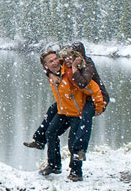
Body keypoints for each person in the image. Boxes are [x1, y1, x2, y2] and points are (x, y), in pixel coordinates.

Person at [24, 42, 109, 159]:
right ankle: (41, 142)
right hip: (71, 105)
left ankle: (79, 153)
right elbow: (53, 68)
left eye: (72, 57)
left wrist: (74, 69)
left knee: (84, 120)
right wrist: (50, 74)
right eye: (66, 58)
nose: (68, 60)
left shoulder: (85, 65)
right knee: (52, 114)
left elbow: (85, 84)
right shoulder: (62, 68)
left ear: (79, 56)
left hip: (95, 99)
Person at [35, 49, 107, 181]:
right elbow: (48, 71)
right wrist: (50, 74)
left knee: (73, 142)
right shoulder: (52, 74)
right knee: (51, 133)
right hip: (64, 111)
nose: (55, 62)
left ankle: (76, 172)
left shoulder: (69, 73)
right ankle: (54, 165)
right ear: (46, 66)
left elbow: (93, 88)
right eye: (51, 61)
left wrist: (99, 106)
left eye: (56, 59)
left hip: (78, 112)